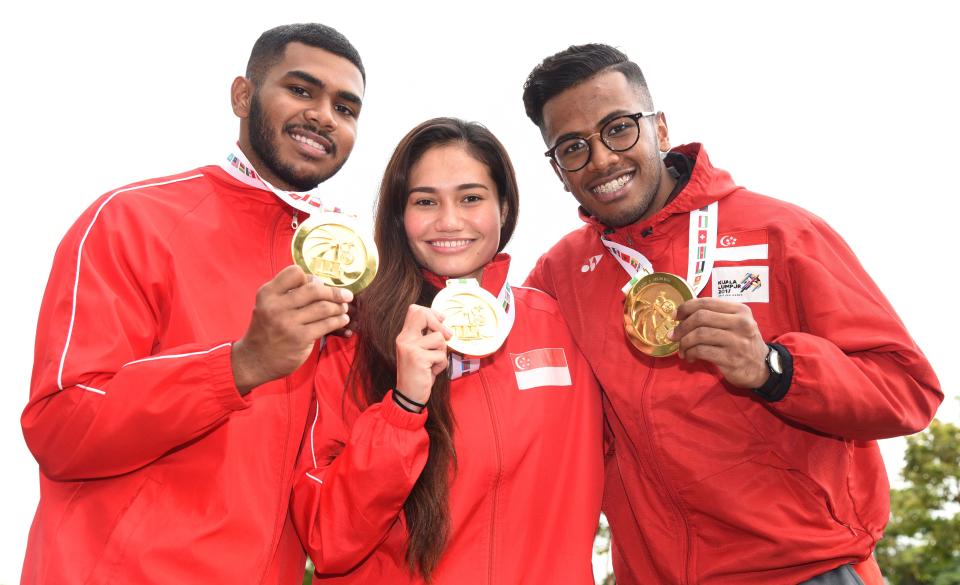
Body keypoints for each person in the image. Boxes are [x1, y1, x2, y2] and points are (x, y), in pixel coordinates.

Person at [520, 44, 943, 585]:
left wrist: (776, 368)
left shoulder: (779, 232)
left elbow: (909, 390)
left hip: (804, 570)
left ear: (661, 129)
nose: (601, 159)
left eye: (619, 128)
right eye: (572, 147)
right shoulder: (558, 274)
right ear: (558, 170)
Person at [21, 23, 363, 584]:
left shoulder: (348, 270)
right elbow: (60, 427)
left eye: (346, 108)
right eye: (302, 90)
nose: (325, 115)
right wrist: (239, 364)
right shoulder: (132, 219)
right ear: (243, 96)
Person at [289, 118, 603, 583]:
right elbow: (327, 539)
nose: (449, 221)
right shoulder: (353, 339)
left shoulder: (560, 327)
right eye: (426, 201)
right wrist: (403, 406)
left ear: (504, 207)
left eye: (471, 198)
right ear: (400, 217)